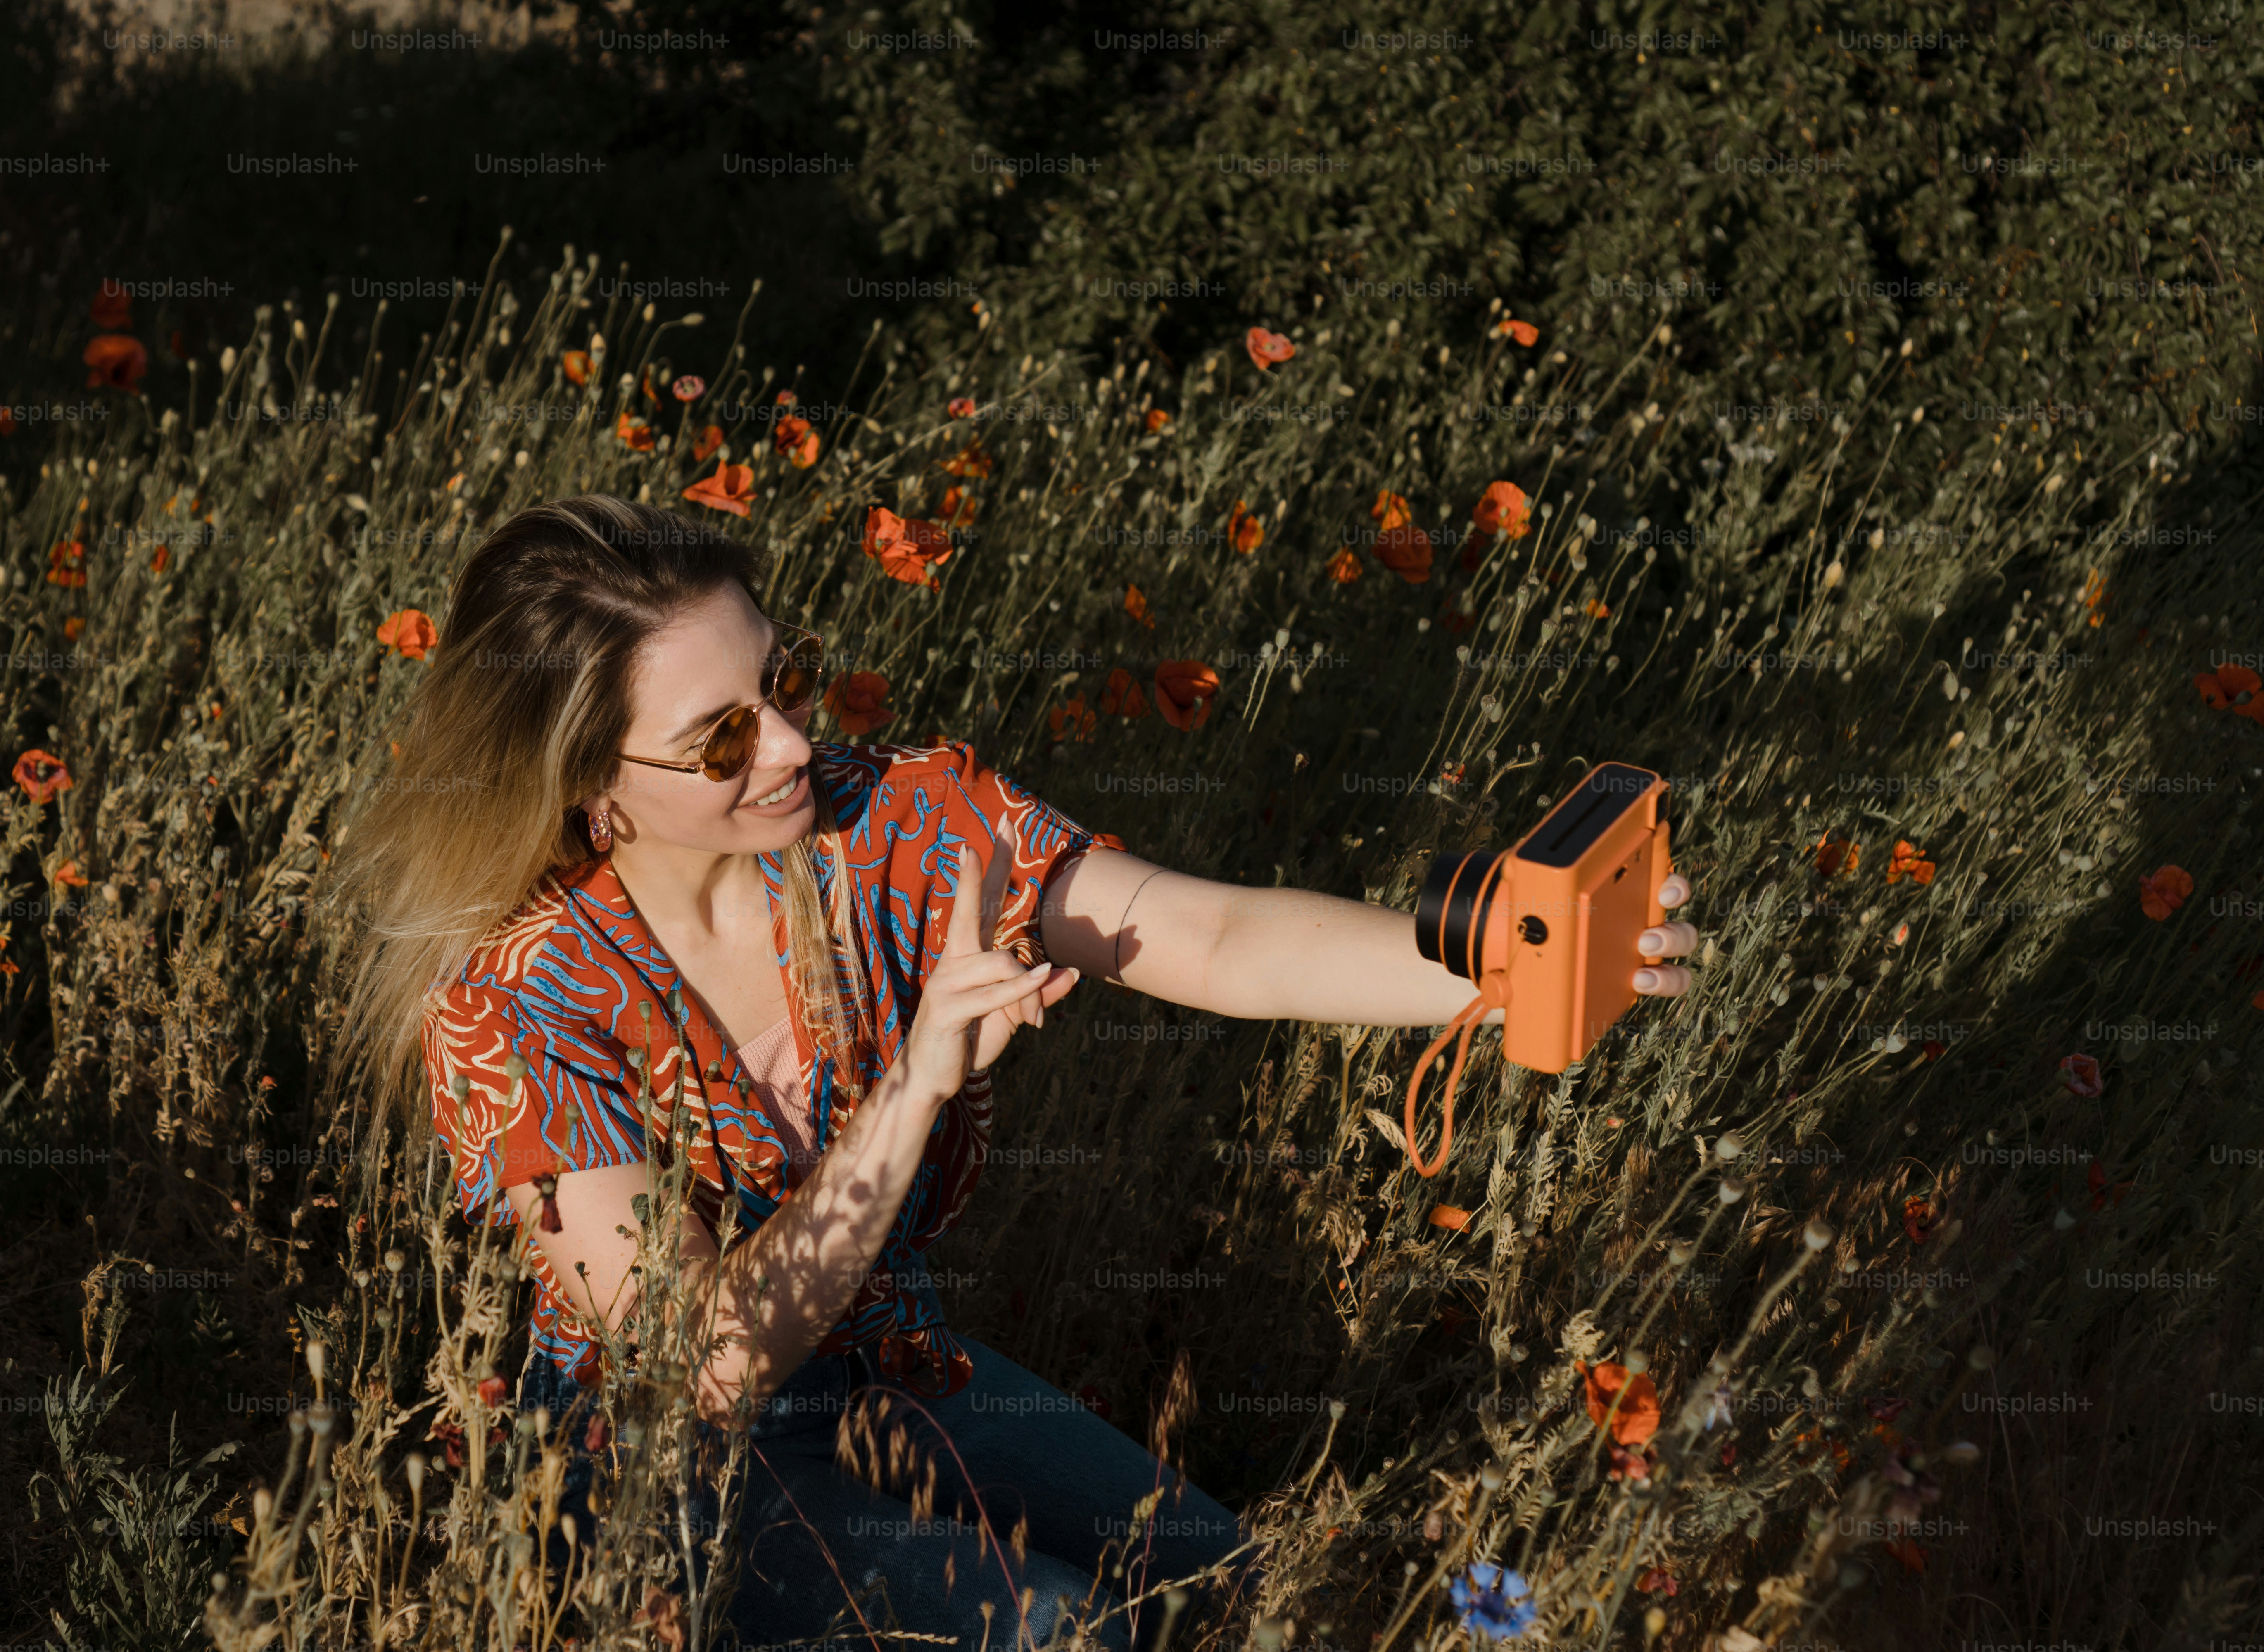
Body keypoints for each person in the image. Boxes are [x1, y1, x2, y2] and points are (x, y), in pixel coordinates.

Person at [331, 496, 1696, 1649]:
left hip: (899, 1370)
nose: (793, 743)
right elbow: (707, 1365)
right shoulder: (516, 1006)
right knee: (1060, 1634)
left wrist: (1506, 961)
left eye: (784, 682)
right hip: (666, 1482)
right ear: (594, 786)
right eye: (722, 740)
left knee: (1239, 1598)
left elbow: (1210, 934)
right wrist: (911, 1091)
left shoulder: (896, 823)